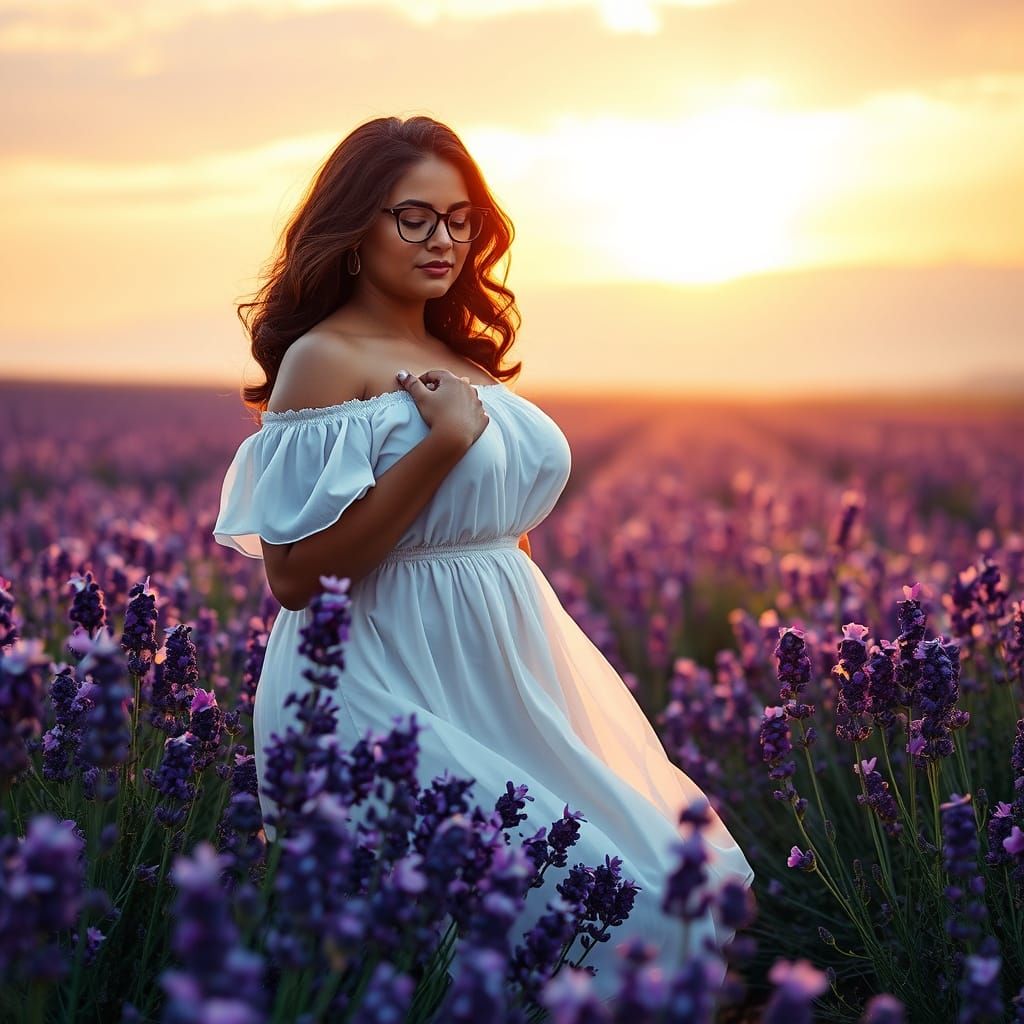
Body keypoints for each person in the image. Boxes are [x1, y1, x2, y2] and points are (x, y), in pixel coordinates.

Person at [212, 115, 754, 1003]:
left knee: (658, 889)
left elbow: (497, 535)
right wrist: (441, 446)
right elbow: (296, 577)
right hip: (375, 680)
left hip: (499, 671)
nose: (443, 240)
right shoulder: (322, 358)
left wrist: (544, 681)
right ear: (355, 230)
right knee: (577, 920)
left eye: (459, 219)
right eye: (411, 217)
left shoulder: (458, 354)